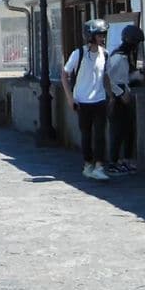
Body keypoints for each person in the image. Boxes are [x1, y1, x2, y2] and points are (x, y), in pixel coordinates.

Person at [61, 18, 111, 182]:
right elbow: (65, 74)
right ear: (91, 36)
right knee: (86, 134)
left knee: (100, 134)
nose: (102, 38)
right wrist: (70, 98)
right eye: (99, 35)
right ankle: (88, 164)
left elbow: (105, 76)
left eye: (103, 35)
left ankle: (99, 166)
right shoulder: (79, 54)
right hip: (82, 100)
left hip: (100, 99)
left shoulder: (105, 54)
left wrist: (110, 94)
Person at [107, 24, 144, 175]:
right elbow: (107, 78)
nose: (136, 47)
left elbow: (125, 77)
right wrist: (120, 93)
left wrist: (138, 76)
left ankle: (126, 160)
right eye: (136, 43)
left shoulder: (125, 57)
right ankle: (113, 163)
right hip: (116, 99)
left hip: (125, 96)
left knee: (128, 130)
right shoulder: (117, 57)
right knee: (117, 131)